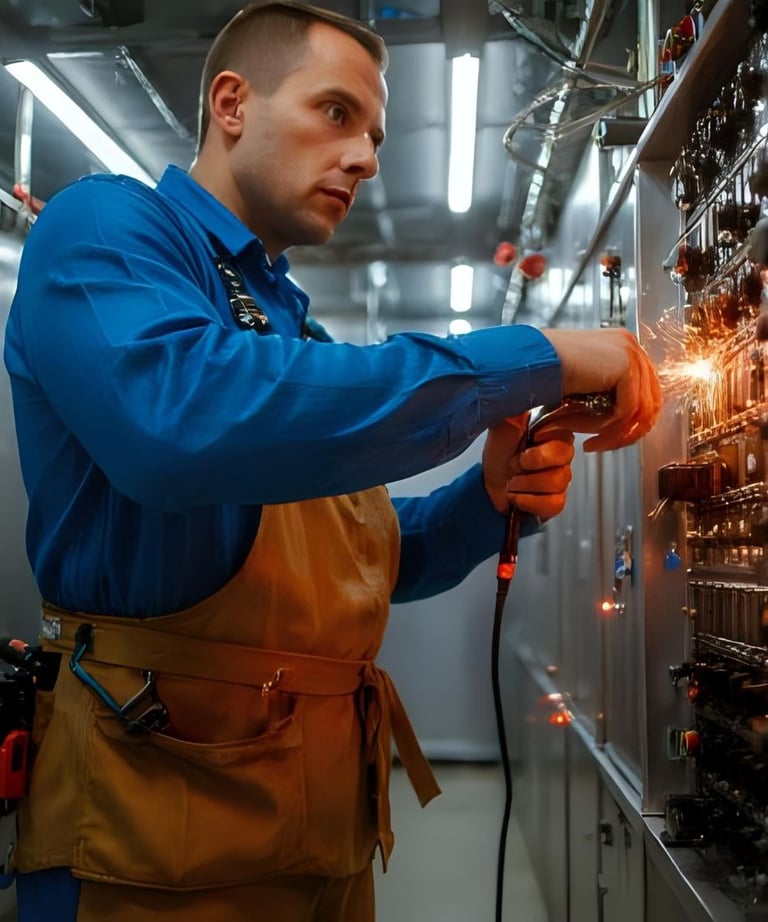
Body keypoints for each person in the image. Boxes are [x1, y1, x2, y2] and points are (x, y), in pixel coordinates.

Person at [2, 2, 662, 920]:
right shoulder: (107, 228)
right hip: (149, 833)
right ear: (232, 102)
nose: (365, 158)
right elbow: (181, 423)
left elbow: (368, 564)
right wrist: (531, 355)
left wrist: (484, 498)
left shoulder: (289, 322)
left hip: (319, 833)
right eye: (336, 114)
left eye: (377, 135)